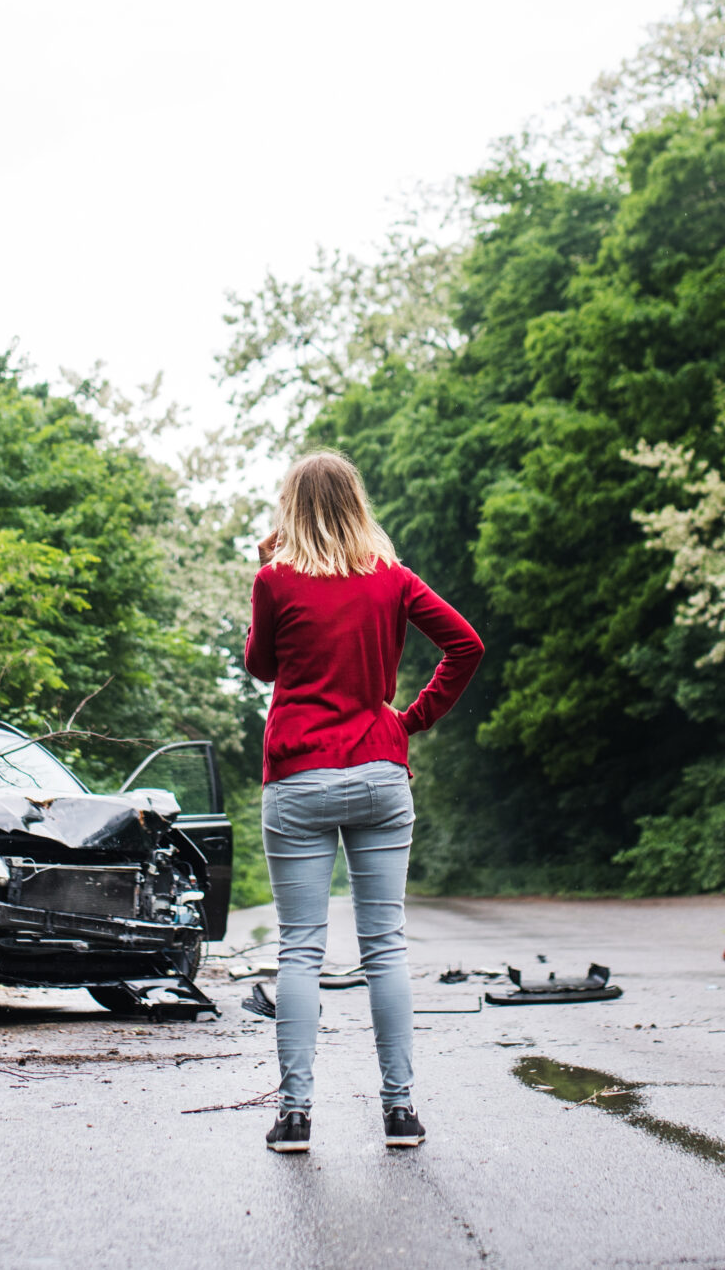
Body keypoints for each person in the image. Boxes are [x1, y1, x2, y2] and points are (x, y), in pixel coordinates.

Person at [243, 449, 483, 1154]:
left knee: (299, 950)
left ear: (292, 508)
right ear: (357, 503)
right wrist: (410, 719)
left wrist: (263, 571)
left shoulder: (274, 579)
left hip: (297, 775)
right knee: (385, 949)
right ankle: (400, 1111)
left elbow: (262, 665)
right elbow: (465, 645)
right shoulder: (392, 579)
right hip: (379, 768)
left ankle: (294, 1116)